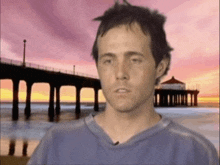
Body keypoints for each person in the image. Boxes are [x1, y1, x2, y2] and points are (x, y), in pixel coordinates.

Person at [28, 0, 219, 164]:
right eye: (109, 60)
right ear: (98, 67)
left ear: (160, 67)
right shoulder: (56, 144)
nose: (120, 73)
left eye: (134, 59)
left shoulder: (195, 153)